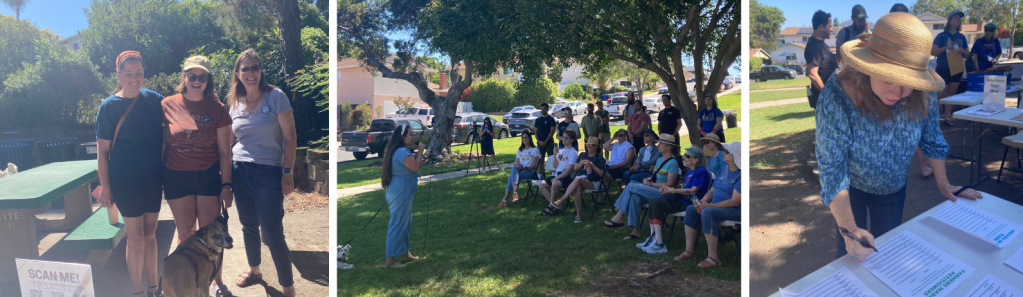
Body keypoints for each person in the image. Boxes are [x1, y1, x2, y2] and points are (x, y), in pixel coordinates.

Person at [816, 13, 982, 262]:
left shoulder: (922, 94)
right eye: (887, 79)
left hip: (894, 185)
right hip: (849, 187)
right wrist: (849, 229)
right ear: (868, 67)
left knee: (887, 248)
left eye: (907, 82)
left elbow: (931, 138)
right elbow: (833, 167)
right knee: (852, 248)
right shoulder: (837, 94)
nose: (898, 92)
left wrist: (944, 184)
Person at [161, 55, 234, 296]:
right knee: (186, 233)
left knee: (214, 234)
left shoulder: (218, 109)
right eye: (192, 76)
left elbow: (225, 151)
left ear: (208, 80)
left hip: (207, 177)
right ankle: (191, 282)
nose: (196, 81)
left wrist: (226, 185)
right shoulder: (167, 105)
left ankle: (216, 281)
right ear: (184, 77)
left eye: (202, 77)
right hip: (176, 177)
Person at [228, 49, 298, 296]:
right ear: (237, 73)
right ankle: (254, 270)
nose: (250, 73)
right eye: (244, 69)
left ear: (260, 71)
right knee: (248, 225)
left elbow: (290, 138)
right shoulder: (235, 102)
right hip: (239, 171)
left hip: (268, 173)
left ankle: (287, 288)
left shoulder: (275, 96)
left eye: (254, 68)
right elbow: (228, 139)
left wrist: (287, 174)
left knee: (272, 232)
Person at [96, 51, 164, 297]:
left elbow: (180, 112)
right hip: (124, 180)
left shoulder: (154, 99)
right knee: (135, 238)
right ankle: (137, 292)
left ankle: (154, 288)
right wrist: (105, 186)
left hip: (153, 179)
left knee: (150, 234)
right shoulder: (109, 106)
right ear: (119, 75)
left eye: (139, 73)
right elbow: (102, 152)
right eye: (128, 74)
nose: (134, 78)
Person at [673, 142, 742, 268]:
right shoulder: (723, 169)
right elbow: (712, 190)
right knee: (692, 208)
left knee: (708, 212)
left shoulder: (741, 174)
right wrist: (703, 202)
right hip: (716, 207)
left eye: (727, 152)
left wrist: (709, 206)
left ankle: (713, 258)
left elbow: (735, 201)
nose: (724, 153)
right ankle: (689, 251)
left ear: (735, 156)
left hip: (735, 210)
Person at [602, 134, 680, 241]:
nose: (658, 145)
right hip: (654, 190)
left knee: (631, 186)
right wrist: (648, 179)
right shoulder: (659, 160)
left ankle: (619, 216)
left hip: (664, 193)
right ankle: (636, 231)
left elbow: (670, 184)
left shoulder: (673, 163)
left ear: (669, 147)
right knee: (634, 196)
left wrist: (651, 184)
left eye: (661, 143)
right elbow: (655, 176)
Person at [640, 146, 712, 254]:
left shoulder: (701, 171)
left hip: (690, 203)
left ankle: (659, 243)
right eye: (684, 155)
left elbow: (692, 191)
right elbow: (683, 189)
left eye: (688, 156)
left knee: (655, 203)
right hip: (681, 200)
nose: (685, 157)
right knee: (653, 202)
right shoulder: (689, 172)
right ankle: (653, 239)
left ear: (696, 160)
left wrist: (672, 190)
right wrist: (668, 190)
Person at [378, 124, 424, 269]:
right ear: (402, 137)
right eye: (410, 134)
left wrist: (417, 155)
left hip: (402, 193)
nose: (413, 136)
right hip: (400, 194)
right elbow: (416, 167)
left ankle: (404, 254)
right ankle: (390, 261)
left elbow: (411, 166)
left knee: (405, 224)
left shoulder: (400, 151)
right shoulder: (402, 151)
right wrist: (421, 151)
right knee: (397, 225)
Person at [543, 137, 606, 223]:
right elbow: (575, 168)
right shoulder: (582, 155)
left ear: (596, 147)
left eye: (591, 145)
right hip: (582, 180)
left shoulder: (599, 158)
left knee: (578, 179)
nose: (589, 147)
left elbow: (601, 174)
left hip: (594, 182)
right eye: (588, 145)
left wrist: (592, 165)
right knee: (578, 187)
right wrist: (582, 163)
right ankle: (578, 216)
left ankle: (561, 201)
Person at [933, 10, 970, 126]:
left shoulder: (962, 37)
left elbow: (968, 55)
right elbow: (933, 51)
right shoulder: (941, 36)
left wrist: (963, 51)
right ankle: (936, 119)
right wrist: (945, 47)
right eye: (955, 18)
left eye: (959, 18)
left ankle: (947, 118)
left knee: (951, 95)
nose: (958, 20)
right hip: (942, 69)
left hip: (957, 69)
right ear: (949, 21)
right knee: (940, 95)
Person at [805, 10, 838, 109]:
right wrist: (827, 94)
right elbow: (812, 74)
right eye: (830, 26)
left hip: (829, 97)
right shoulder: (814, 46)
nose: (832, 30)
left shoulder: (822, 44)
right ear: (821, 27)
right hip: (824, 100)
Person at [538, 130, 579, 208]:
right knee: (541, 184)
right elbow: (555, 166)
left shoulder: (573, 153)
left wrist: (557, 178)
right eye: (563, 137)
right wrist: (554, 155)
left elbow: (569, 170)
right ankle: (554, 204)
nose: (563, 139)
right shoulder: (560, 151)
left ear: (572, 140)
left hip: (567, 178)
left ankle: (551, 207)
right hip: (558, 176)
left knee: (555, 183)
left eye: (566, 137)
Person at [500, 131, 540, 207]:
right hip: (520, 170)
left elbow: (534, 165)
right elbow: (516, 162)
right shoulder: (520, 149)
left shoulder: (535, 149)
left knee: (512, 176)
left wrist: (524, 167)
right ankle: (514, 193)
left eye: (526, 137)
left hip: (530, 171)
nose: (524, 139)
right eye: (523, 138)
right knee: (514, 169)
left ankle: (505, 199)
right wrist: (518, 165)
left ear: (530, 138)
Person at [533, 103, 558, 175]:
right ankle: (540, 177)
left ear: (547, 109)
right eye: (541, 109)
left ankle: (553, 176)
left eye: (544, 108)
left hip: (549, 143)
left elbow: (552, 131)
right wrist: (539, 141)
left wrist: (546, 141)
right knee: (540, 160)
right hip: (540, 143)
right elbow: (535, 132)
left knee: (552, 159)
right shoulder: (538, 120)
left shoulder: (551, 119)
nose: (542, 110)